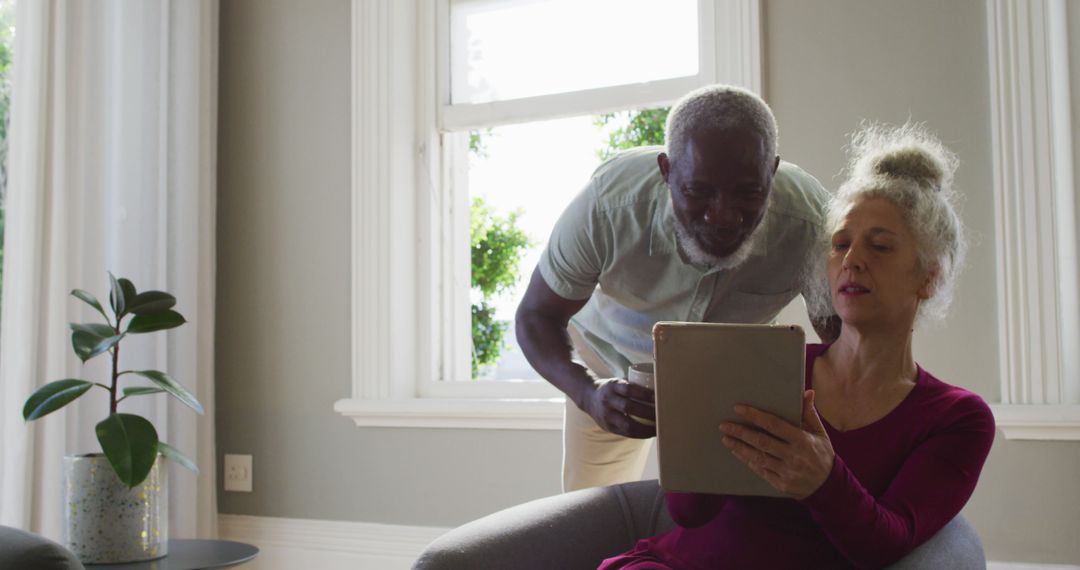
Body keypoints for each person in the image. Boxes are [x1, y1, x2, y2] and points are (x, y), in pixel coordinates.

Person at [598, 123, 996, 569]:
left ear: (929, 277)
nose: (852, 260)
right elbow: (690, 514)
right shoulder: (762, 367)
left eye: (880, 246)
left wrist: (822, 480)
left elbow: (886, 544)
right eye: (840, 244)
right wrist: (691, 421)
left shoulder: (958, 418)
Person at [515, 84, 836, 492]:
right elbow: (535, 316)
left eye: (748, 192)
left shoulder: (811, 223)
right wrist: (588, 393)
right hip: (607, 365)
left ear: (771, 172)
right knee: (590, 507)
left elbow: (846, 342)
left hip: (735, 379)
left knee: (741, 516)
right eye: (698, 191)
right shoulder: (606, 205)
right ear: (666, 171)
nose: (722, 216)